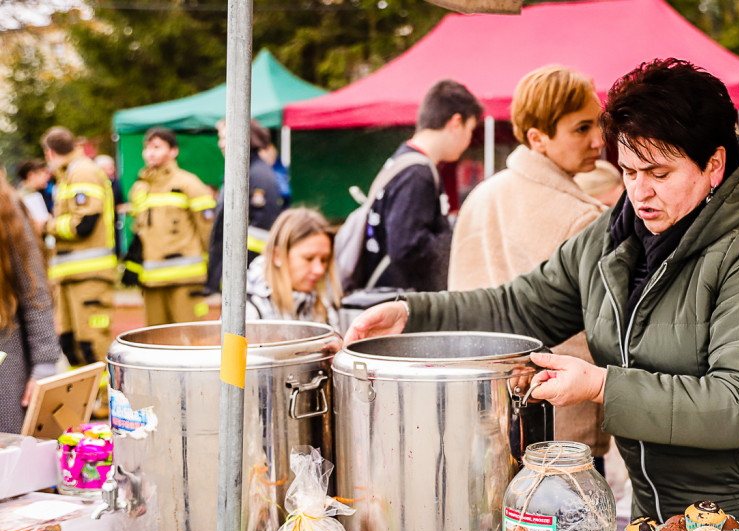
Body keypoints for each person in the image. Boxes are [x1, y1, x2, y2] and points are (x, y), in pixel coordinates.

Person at [345, 59, 739, 531]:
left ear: (714, 165)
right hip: (673, 525)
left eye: (660, 174)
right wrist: (414, 312)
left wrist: (601, 386)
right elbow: (519, 306)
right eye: (629, 172)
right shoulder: (612, 238)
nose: (640, 192)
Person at [448, 65, 611, 462]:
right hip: (560, 425)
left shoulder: (480, 196)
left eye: (599, 124)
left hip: (479, 413)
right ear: (537, 138)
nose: (598, 140)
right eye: (581, 128)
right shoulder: (582, 217)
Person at [346, 79, 483, 292]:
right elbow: (407, 247)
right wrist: (459, 239)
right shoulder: (417, 174)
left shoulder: (402, 161)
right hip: (399, 303)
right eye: (471, 130)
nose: (469, 140)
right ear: (456, 123)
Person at [41, 126, 116, 371]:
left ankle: (105, 404)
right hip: (70, 276)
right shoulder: (69, 174)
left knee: (92, 345)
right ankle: (87, 403)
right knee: (71, 345)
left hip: (90, 277)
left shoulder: (82, 172)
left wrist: (47, 226)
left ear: (49, 153)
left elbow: (85, 224)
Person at [125, 127, 217, 326]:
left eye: (157, 147)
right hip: (151, 280)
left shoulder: (189, 184)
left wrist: (212, 269)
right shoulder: (140, 188)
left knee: (190, 340)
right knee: (154, 343)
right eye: (147, 147)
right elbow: (138, 232)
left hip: (186, 280)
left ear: (174, 151)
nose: (150, 152)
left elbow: (208, 230)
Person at [0, 171, 61, 434]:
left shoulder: (6, 207)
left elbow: (33, 289)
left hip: (6, 354)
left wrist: (44, 364)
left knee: (10, 451)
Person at [205, 118, 284, 293]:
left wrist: (235, 258)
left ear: (244, 138)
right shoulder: (242, 170)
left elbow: (261, 229)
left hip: (248, 273)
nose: (221, 144)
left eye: (225, 138)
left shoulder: (257, 175)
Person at [245, 207, 343, 330]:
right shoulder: (247, 309)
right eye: (309, 258)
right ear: (278, 255)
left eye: (324, 260)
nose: (319, 270)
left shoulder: (322, 305)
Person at [15, 158, 52, 235]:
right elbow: (39, 227)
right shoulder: (30, 197)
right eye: (43, 173)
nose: (47, 177)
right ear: (31, 175)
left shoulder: (21, 195)